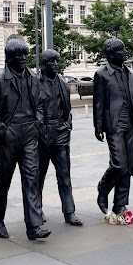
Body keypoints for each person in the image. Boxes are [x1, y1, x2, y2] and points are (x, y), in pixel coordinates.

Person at [0, 38, 51, 241]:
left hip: (29, 134)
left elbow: (40, 104)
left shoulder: (33, 78)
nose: (24, 58)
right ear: (9, 57)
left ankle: (33, 226)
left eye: (26, 54)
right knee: (3, 179)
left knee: (31, 179)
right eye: (19, 55)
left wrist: (38, 122)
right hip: (8, 135)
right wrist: (2, 130)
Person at [93, 37, 133, 216]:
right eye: (121, 50)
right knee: (119, 164)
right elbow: (98, 103)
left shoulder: (132, 75)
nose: (125, 52)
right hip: (114, 125)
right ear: (111, 54)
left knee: (127, 166)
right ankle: (103, 189)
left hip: (132, 125)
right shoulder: (102, 74)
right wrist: (98, 127)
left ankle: (120, 205)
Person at [39, 49, 83, 226]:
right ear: (44, 64)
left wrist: (67, 126)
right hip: (42, 136)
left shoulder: (63, 84)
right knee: (38, 176)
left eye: (57, 61)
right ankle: (37, 210)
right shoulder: (34, 83)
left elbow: (68, 110)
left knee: (65, 175)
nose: (55, 64)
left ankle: (69, 211)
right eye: (51, 61)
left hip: (61, 134)